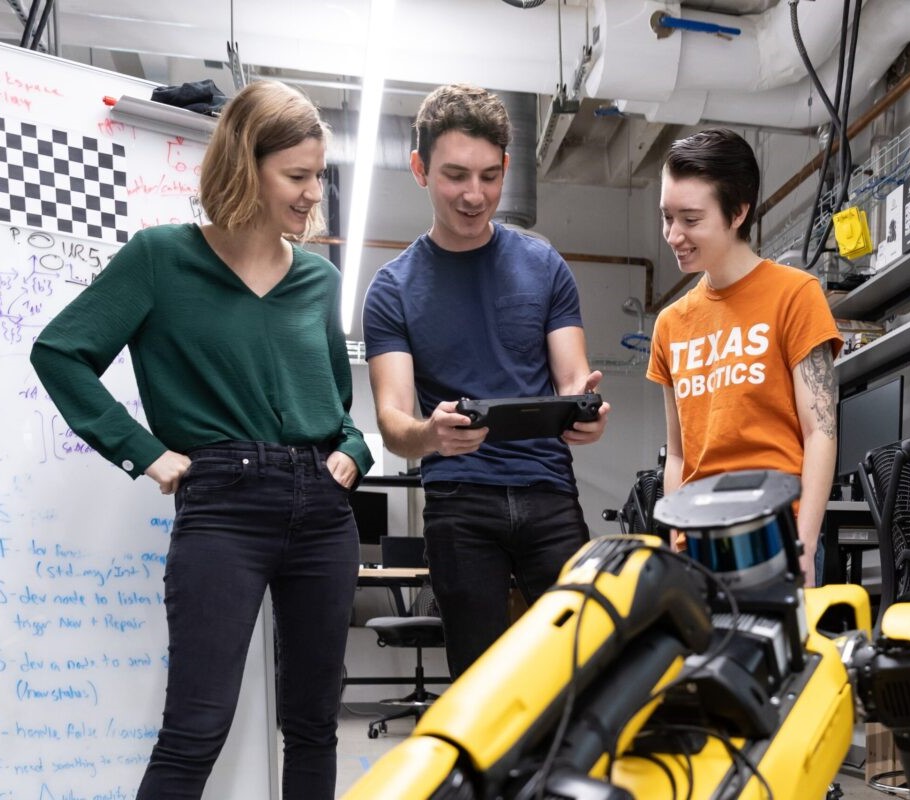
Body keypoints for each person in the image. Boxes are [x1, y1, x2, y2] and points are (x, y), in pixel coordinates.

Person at [30, 79, 373, 799]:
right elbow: (61, 353)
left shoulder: (317, 279)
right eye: (298, 176)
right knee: (196, 726)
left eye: (319, 176)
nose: (314, 194)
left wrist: (356, 448)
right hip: (224, 507)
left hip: (323, 511)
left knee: (313, 725)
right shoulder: (161, 258)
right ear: (247, 166)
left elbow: (336, 410)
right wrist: (144, 452)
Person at [362, 83, 610, 679]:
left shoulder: (544, 265)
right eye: (454, 175)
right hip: (458, 505)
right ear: (419, 168)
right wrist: (431, 435)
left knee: (585, 667)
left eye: (489, 176)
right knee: (478, 681)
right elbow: (394, 423)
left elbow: (573, 377)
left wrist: (586, 410)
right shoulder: (391, 290)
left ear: (505, 165)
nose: (475, 195)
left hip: (549, 494)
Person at [646, 128, 842, 587]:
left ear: (738, 212)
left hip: (774, 540)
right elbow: (677, 454)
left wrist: (804, 544)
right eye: (666, 217)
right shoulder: (671, 324)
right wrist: (678, 541)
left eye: (690, 220)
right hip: (697, 547)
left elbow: (821, 433)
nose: (673, 235)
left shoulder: (795, 295)